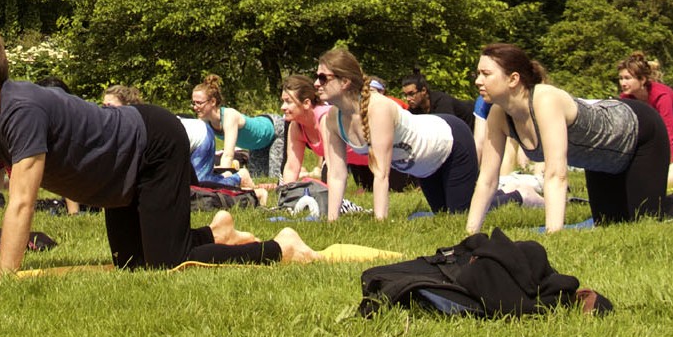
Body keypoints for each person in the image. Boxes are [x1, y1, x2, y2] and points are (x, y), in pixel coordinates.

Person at [0, 23, 317, 277]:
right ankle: (218, 231)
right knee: (133, 266)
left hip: (152, 144)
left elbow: (21, 203)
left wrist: (4, 281)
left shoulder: (23, 110)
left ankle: (279, 247)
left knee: (169, 262)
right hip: (117, 178)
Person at [466, 44, 673, 235]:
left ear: (513, 79)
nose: (478, 80)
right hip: (601, 160)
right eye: (478, 73)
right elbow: (487, 180)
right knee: (612, 225)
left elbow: (557, 175)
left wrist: (553, 235)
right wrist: (470, 235)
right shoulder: (498, 116)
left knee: (645, 221)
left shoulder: (545, 100)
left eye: (485, 74)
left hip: (639, 134)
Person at [317, 48, 480, 218]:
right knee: (442, 215)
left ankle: (503, 196)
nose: (316, 83)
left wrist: (380, 224)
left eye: (322, 78)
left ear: (345, 82)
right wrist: (332, 222)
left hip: (452, 141)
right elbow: (336, 174)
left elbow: (381, 173)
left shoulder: (378, 107)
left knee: (458, 216)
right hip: (424, 168)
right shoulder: (333, 118)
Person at [615, 54, 673, 164]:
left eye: (627, 78)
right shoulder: (626, 98)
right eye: (621, 78)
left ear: (642, 80)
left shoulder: (661, 96)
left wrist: (672, 166)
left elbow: (668, 132)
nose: (623, 83)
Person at [191, 74, 277, 174]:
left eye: (199, 103)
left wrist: (222, 179)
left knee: (276, 177)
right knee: (258, 178)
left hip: (274, 131)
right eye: (193, 103)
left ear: (213, 101)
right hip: (255, 146)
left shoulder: (229, 116)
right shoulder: (203, 120)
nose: (195, 107)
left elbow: (228, 155)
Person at [398, 72, 478, 131]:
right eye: (406, 95)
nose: (408, 99)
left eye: (411, 94)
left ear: (423, 90)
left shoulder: (442, 102)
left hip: (475, 121)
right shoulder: (414, 109)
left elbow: (448, 130)